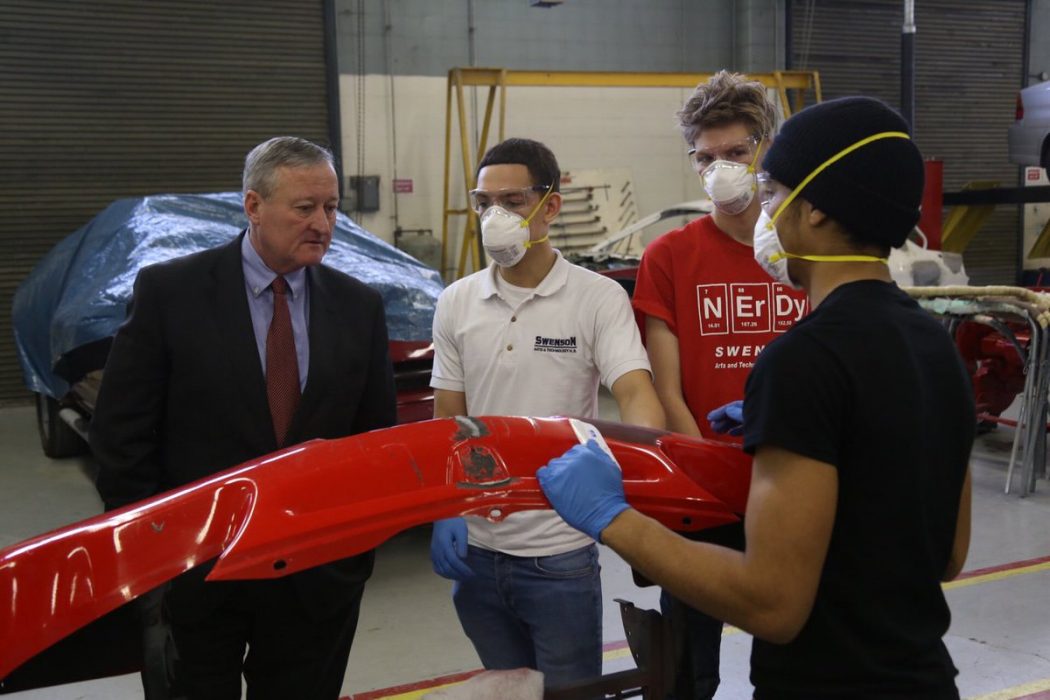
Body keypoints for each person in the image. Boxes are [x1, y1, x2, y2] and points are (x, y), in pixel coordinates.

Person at [538, 97, 975, 699]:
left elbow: (772, 605)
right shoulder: (936, 343)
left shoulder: (801, 358)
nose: (764, 212)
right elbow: (948, 556)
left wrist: (615, 520)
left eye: (772, 193)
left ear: (816, 211)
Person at [89, 136, 397, 700]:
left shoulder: (358, 307)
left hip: (316, 581)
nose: (323, 223)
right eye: (304, 208)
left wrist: (351, 559)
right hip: (196, 576)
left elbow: (375, 443)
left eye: (331, 207)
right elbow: (121, 435)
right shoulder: (170, 293)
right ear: (253, 206)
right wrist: (152, 561)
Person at [428, 137, 665, 688]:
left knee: (567, 692)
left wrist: (642, 477)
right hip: (478, 551)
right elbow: (447, 418)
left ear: (550, 206)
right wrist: (442, 506)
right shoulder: (456, 302)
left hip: (559, 550)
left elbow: (635, 392)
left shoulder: (596, 298)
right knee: (507, 689)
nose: (494, 218)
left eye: (511, 203)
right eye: (483, 203)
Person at [632, 70, 809, 698]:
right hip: (704, 485)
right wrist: (705, 466)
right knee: (688, 667)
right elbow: (666, 387)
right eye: (705, 158)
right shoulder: (669, 257)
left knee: (792, 656)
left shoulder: (805, 248)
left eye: (736, 154)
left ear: (766, 150)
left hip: (796, 479)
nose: (721, 170)